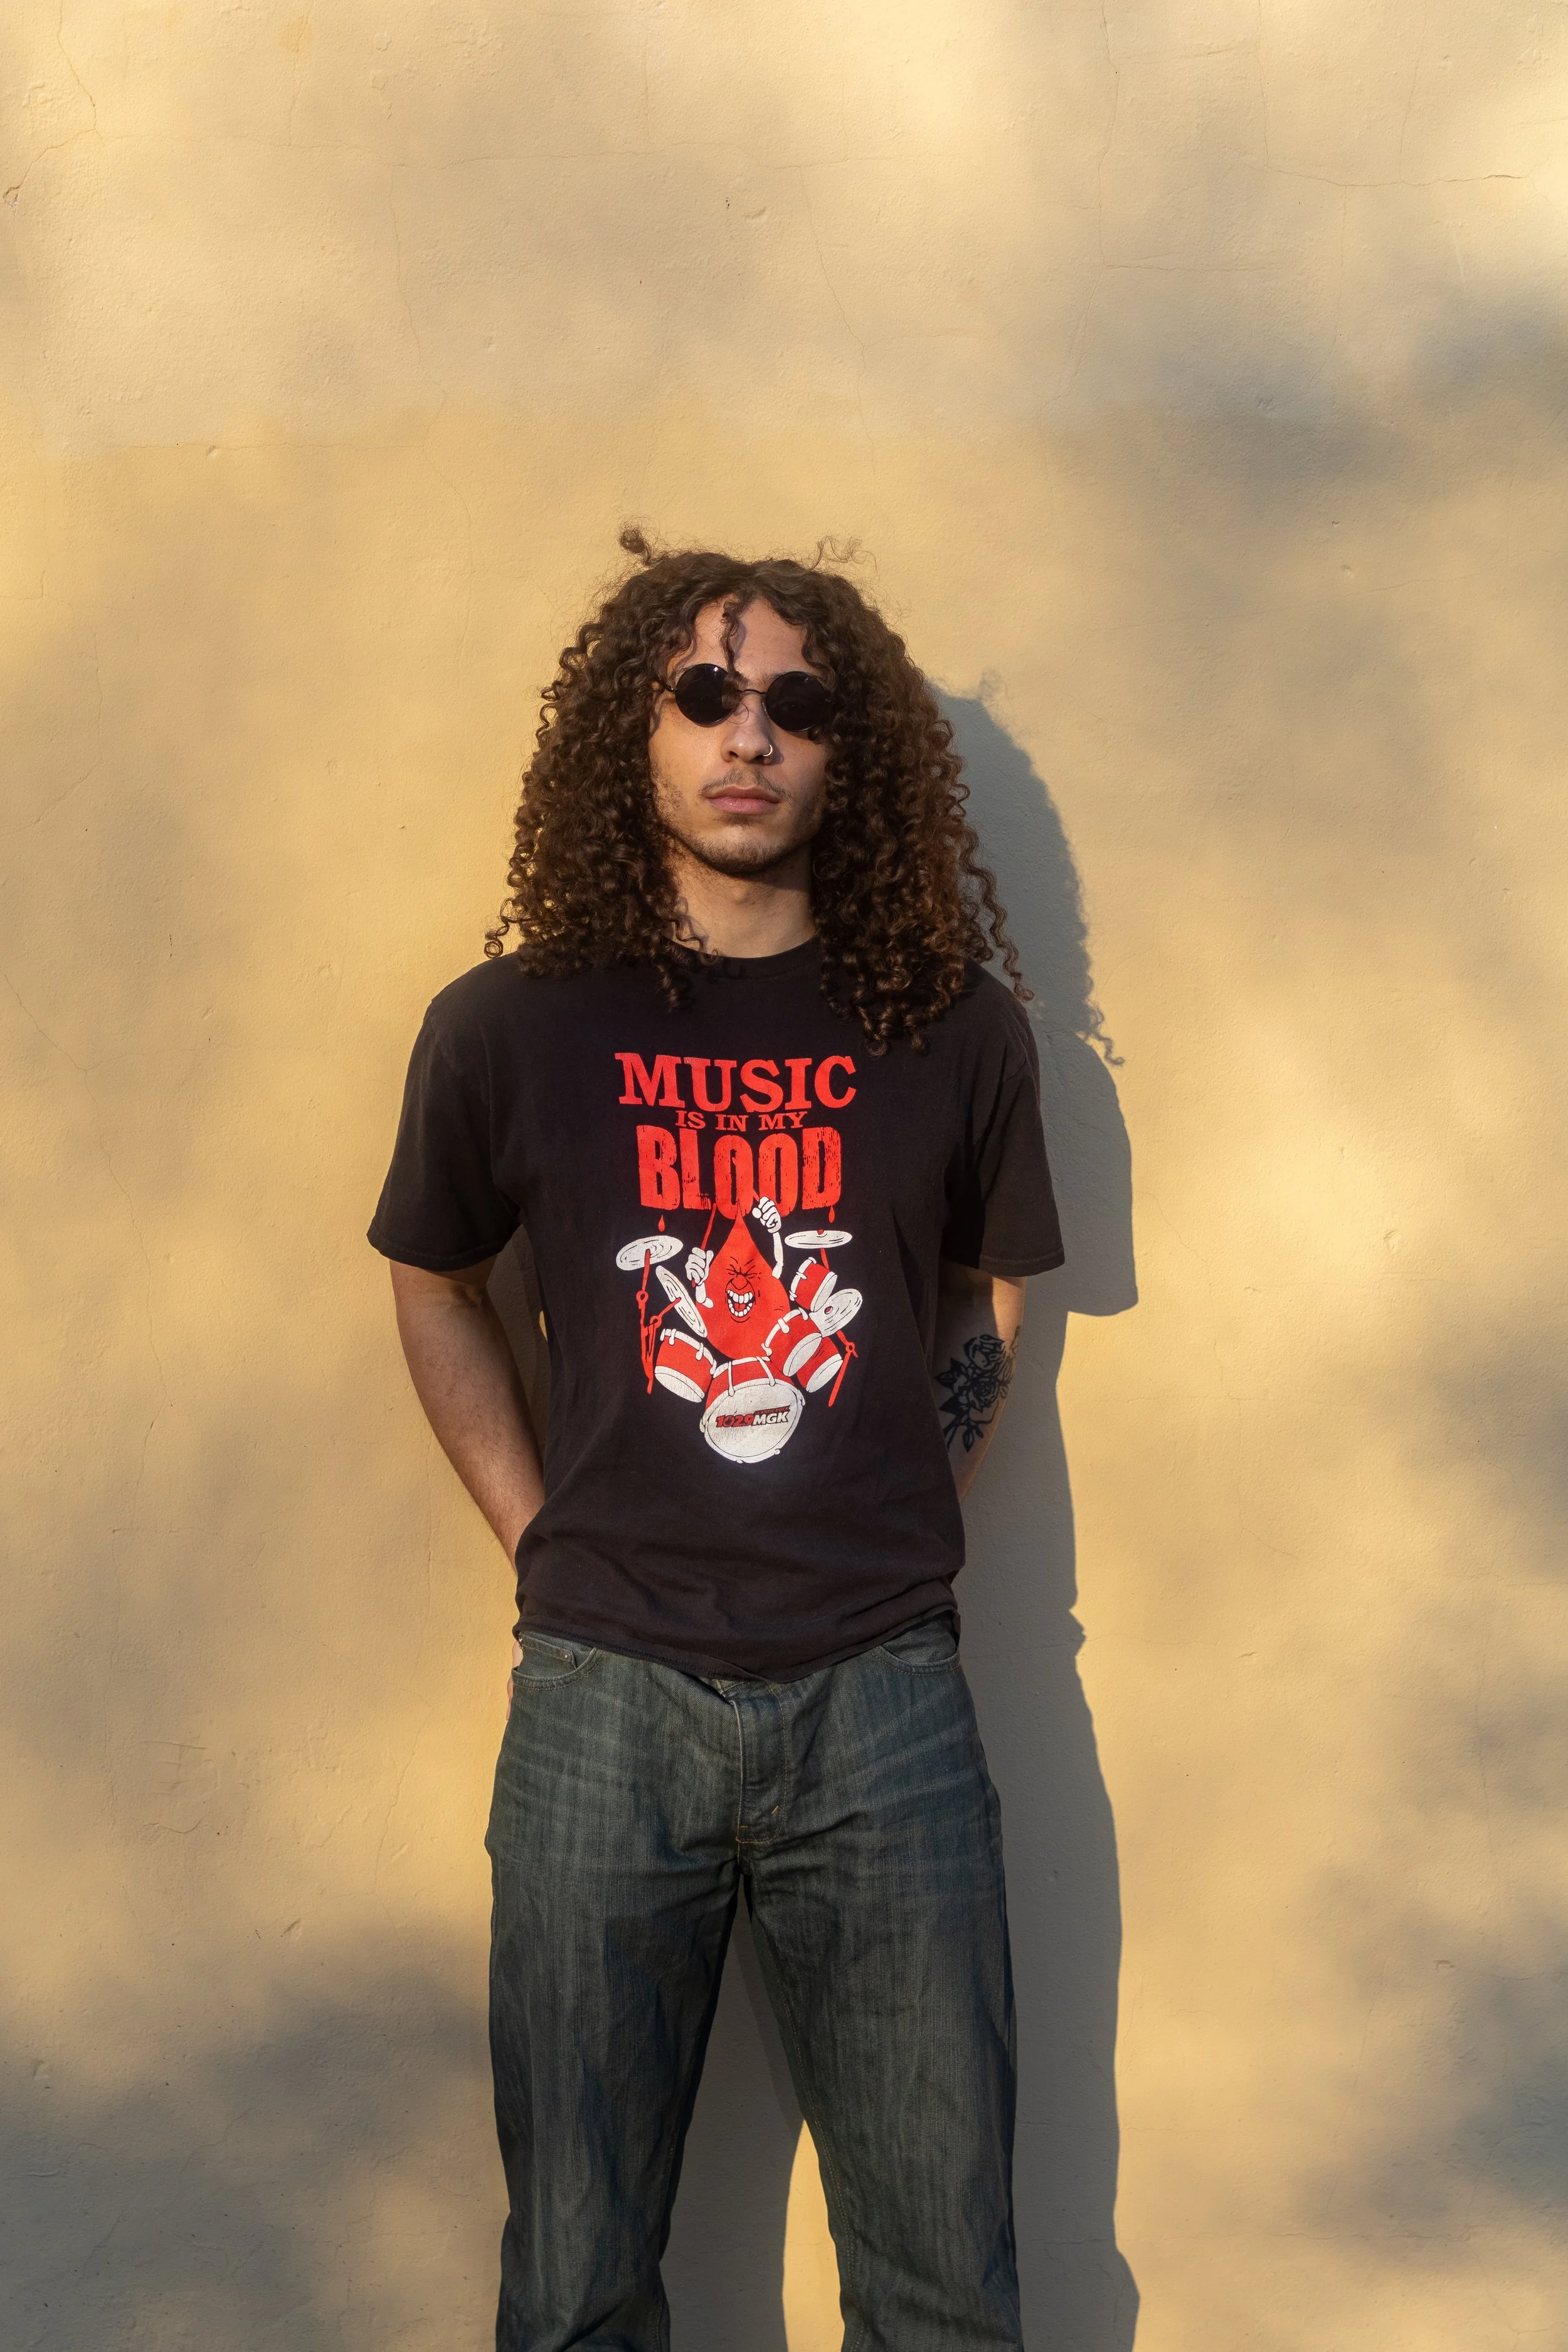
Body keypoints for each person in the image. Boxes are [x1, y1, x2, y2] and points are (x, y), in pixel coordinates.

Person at [368, 530, 1064, 2351]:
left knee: (943, 2284)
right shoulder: (509, 1028)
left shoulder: (953, 1033)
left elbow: (993, 1291)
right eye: (702, 692)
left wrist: (910, 1499)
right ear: (638, 729)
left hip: (883, 1694)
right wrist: (540, 1528)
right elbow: (433, 1283)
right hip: (605, 1692)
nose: (745, 734)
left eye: (793, 703)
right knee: (576, 2283)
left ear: (850, 754)